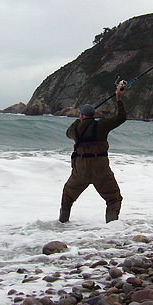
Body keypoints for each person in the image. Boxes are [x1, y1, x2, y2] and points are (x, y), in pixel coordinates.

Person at [60, 84, 127, 223]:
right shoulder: (102, 125)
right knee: (113, 199)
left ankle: (62, 224)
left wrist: (79, 120)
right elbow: (121, 117)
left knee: (67, 197)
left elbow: (68, 133)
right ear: (93, 115)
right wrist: (118, 98)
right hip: (100, 169)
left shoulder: (75, 130)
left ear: (82, 115)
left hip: (81, 170)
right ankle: (112, 229)